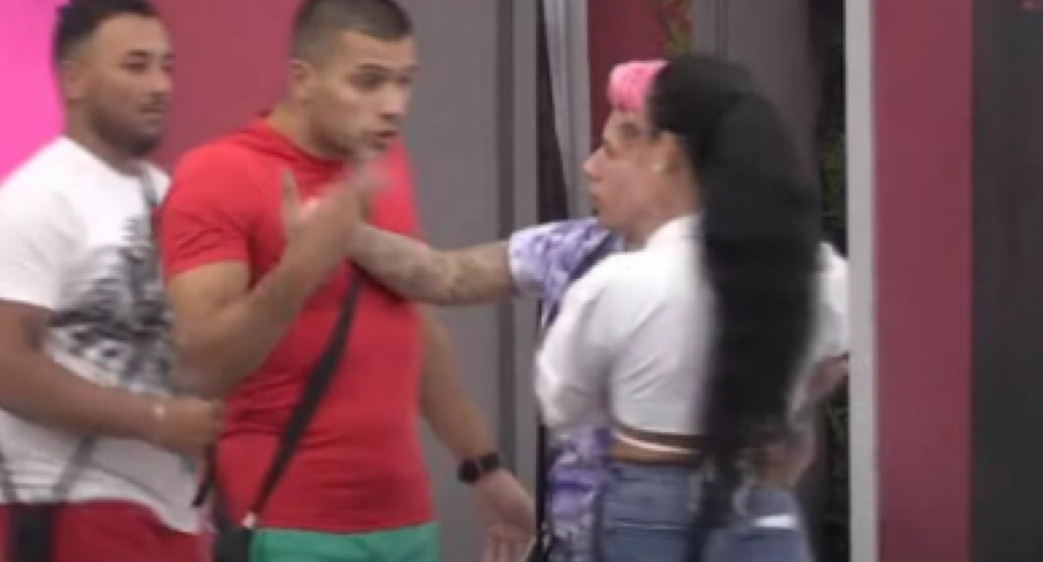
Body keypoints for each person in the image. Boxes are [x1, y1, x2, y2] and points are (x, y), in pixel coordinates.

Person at [306, 61, 849, 562]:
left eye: (610, 151)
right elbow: (444, 275)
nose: (590, 167)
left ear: (661, 158)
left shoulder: (631, 282)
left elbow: (563, 399)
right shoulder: (576, 249)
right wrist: (347, 232)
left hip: (634, 516)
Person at [156, 1, 533, 561]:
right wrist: (305, 264)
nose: (394, 105)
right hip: (290, 524)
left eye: (404, 81)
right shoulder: (220, 175)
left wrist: (483, 466)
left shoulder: (382, 164)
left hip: (406, 521)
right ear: (303, 79)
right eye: (369, 82)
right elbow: (201, 364)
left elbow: (414, 326)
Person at [534, 56, 842, 561]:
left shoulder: (620, 282)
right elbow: (839, 358)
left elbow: (562, 401)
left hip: (648, 502)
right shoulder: (819, 273)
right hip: (763, 496)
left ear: (666, 152)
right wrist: (791, 402)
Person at [0, 1, 220, 561]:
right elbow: (7, 367)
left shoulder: (169, 193)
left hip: (173, 512)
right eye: (136, 66)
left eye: (167, 67)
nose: (160, 86)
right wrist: (155, 420)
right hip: (71, 506)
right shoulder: (38, 198)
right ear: (74, 80)